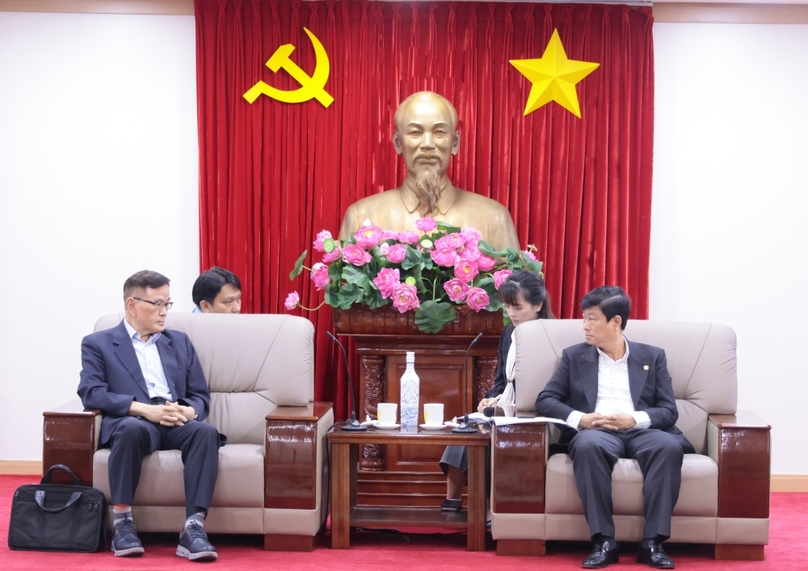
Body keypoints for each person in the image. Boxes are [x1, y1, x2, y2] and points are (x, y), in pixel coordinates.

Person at [535, 286, 694, 569]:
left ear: (616, 321)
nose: (584, 326)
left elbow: (669, 410)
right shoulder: (574, 356)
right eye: (584, 318)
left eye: (592, 319)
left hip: (642, 431)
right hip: (596, 431)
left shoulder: (652, 356)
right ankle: (604, 541)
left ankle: (653, 542)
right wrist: (580, 419)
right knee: (587, 445)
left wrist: (634, 419)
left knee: (667, 447)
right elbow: (546, 400)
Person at [77, 270, 220, 561]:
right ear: (132, 305)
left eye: (167, 304)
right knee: (130, 428)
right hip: (136, 420)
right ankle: (123, 523)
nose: (164, 312)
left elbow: (199, 394)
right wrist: (143, 409)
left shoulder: (178, 341)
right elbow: (91, 392)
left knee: (206, 432)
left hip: (173, 419)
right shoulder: (98, 343)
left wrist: (189, 409)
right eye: (157, 304)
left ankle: (193, 528)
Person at [338, 91, 520, 252]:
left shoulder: (495, 219)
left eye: (439, 132)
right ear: (398, 143)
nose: (427, 144)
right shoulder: (361, 218)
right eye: (415, 133)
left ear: (454, 143)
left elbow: (521, 289)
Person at [439, 270, 553, 511]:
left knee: (493, 433)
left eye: (518, 307)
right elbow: (503, 381)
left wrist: (508, 407)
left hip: (536, 413)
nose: (512, 314)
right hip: (505, 407)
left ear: (538, 304)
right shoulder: (509, 333)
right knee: (466, 427)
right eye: (508, 307)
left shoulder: (552, 336)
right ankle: (453, 502)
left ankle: (492, 507)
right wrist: (491, 399)